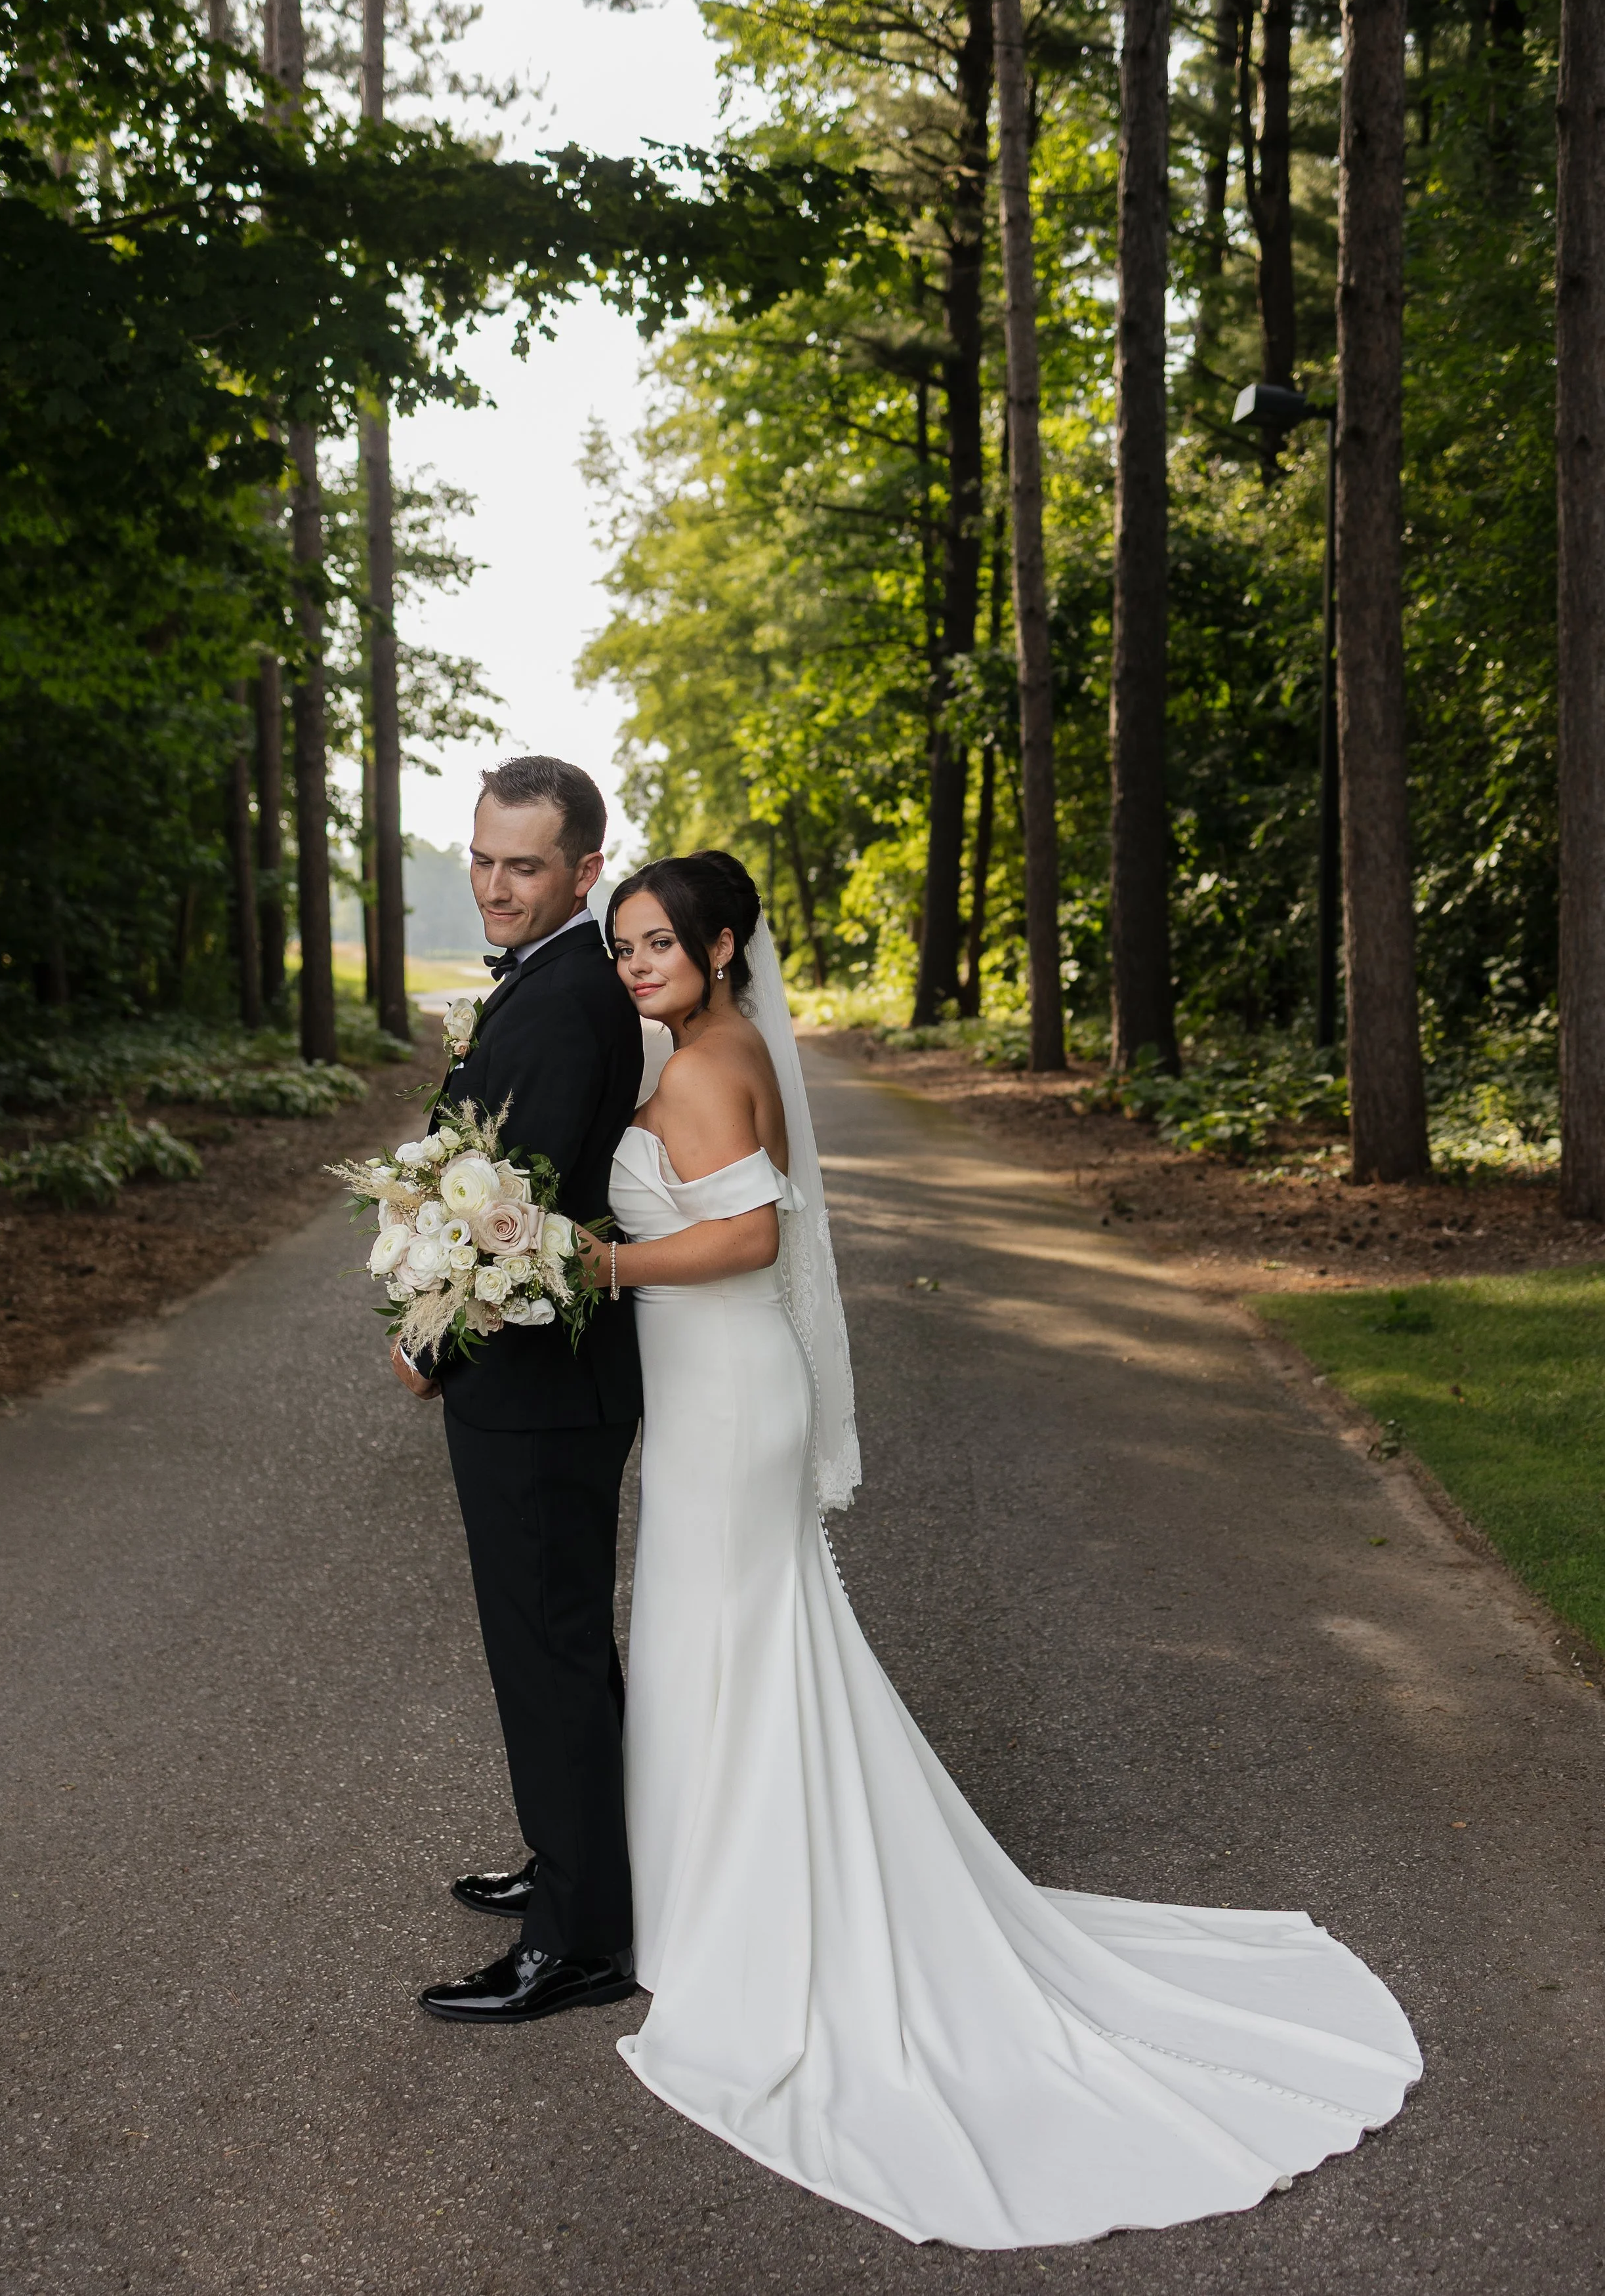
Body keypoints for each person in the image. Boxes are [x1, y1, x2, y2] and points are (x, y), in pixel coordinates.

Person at [574, 847, 1423, 2250]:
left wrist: (593, 1262)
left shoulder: (713, 1063)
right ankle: (702, 1898)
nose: (636, 965)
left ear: (722, 951)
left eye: (657, 943)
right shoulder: (703, 1047)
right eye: (624, 947)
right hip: (714, 1398)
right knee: (724, 1648)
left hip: (725, 1397)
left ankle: (736, 1923)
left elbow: (735, 1246)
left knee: (721, 1645)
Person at [399, 756, 645, 2026]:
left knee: (545, 1656)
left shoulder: (562, 1003)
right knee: (556, 1653)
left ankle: (582, 1939)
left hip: (541, 1387)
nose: (494, 887)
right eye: (483, 860)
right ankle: (585, 1864)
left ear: (583, 871)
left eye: (524, 866)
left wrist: (427, 1342)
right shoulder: (550, 981)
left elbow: (517, 1215)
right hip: (542, 1384)